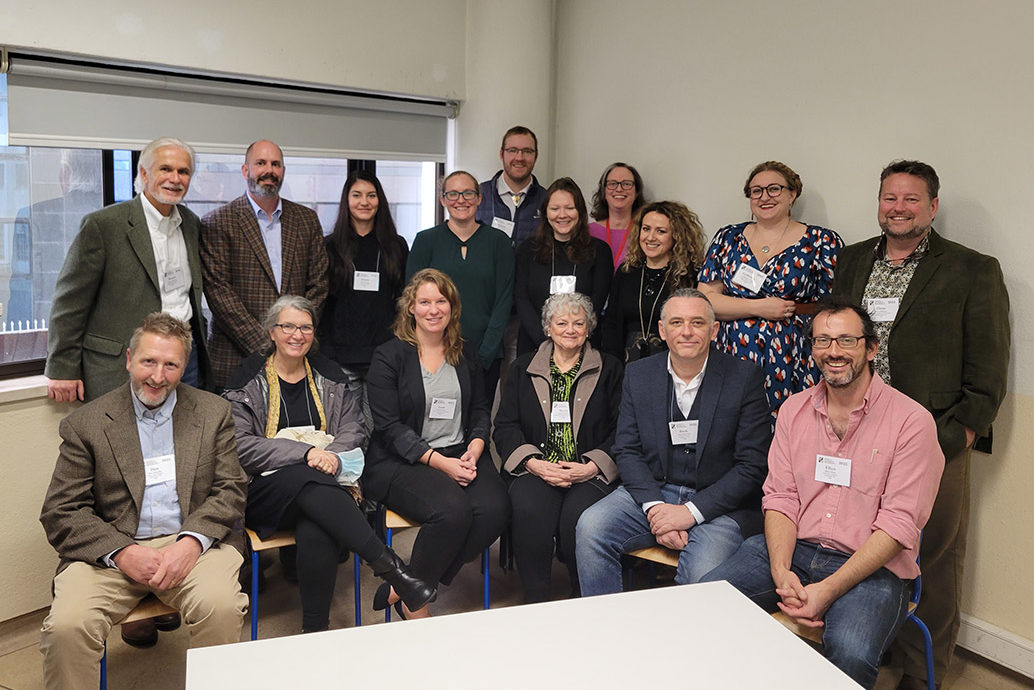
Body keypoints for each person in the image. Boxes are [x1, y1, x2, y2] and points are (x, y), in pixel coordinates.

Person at [702, 297, 944, 690]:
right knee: (706, 606)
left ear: (871, 347)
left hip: (872, 568)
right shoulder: (793, 411)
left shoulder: (912, 423)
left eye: (847, 341)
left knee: (851, 652)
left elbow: (900, 525)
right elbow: (780, 498)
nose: (833, 352)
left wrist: (828, 589)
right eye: (822, 341)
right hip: (791, 549)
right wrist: (781, 571)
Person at [831, 160, 1010, 690]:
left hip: (933, 438)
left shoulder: (973, 270)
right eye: (890, 198)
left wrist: (959, 436)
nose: (899, 208)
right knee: (863, 543)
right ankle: (875, 644)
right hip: (857, 432)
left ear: (932, 206)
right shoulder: (852, 260)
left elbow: (988, 372)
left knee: (930, 555)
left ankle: (919, 672)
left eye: (912, 199)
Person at [38, 313, 249, 690]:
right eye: (148, 361)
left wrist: (191, 542)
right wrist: (121, 552)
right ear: (129, 359)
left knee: (222, 607)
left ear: (184, 367)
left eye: (171, 365)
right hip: (112, 550)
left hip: (193, 545)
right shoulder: (87, 424)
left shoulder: (213, 412)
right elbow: (61, 510)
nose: (157, 376)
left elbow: (231, 488)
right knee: (67, 626)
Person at [223, 296, 435, 633]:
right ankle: (393, 570)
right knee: (307, 481)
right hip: (264, 492)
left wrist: (330, 456)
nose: (297, 334)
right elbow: (241, 446)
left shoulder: (329, 376)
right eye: (288, 326)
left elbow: (354, 427)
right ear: (272, 332)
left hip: (324, 484)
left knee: (317, 522)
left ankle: (315, 631)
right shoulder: (248, 382)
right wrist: (306, 455)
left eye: (305, 327)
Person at [575, 288, 771, 595]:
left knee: (701, 578)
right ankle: (607, 628)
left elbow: (752, 465)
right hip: (653, 491)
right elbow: (626, 449)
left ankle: (683, 643)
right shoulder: (639, 374)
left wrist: (689, 513)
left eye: (697, 323)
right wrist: (656, 510)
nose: (687, 332)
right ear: (662, 331)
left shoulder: (744, 377)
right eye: (677, 323)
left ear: (714, 329)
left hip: (719, 504)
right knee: (591, 527)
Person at [364, 269, 510, 618]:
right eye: (424, 301)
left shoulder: (465, 352)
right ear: (410, 308)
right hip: (402, 460)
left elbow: (479, 408)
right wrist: (440, 463)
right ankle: (418, 601)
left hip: (461, 451)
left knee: (495, 509)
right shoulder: (389, 357)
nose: (433, 309)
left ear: (452, 307)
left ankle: (408, 583)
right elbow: (389, 427)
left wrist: (475, 448)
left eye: (441, 301)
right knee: (452, 511)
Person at [45, 136, 210, 403]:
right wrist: (62, 368)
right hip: (123, 364)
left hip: (182, 362)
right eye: (165, 169)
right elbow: (70, 302)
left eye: (183, 171)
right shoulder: (104, 225)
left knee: (181, 439)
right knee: (123, 442)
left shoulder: (191, 225)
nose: (175, 178)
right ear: (144, 174)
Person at [494, 292, 623, 602]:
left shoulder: (611, 368)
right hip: (537, 468)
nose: (570, 329)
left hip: (589, 471)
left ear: (589, 328)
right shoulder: (523, 367)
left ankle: (583, 597)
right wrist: (533, 463)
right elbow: (505, 426)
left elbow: (624, 429)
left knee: (578, 518)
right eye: (561, 322)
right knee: (528, 509)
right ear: (547, 328)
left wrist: (592, 465)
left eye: (578, 323)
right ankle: (536, 599)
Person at [698, 161, 843, 415]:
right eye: (756, 191)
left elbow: (834, 308)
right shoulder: (728, 238)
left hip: (794, 359)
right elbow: (705, 300)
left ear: (792, 194)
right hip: (731, 357)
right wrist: (759, 308)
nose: (764, 197)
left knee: (791, 431)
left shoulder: (821, 241)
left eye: (774, 189)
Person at [200, 139, 329, 390]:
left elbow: (319, 284)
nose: (269, 170)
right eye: (260, 163)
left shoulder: (306, 220)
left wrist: (294, 336)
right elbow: (219, 294)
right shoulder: (218, 221)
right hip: (236, 359)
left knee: (294, 430)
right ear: (245, 170)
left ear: (283, 171)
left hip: (297, 358)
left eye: (275, 164)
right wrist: (271, 344)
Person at [406, 170, 514, 401]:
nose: (461, 200)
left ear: (479, 198)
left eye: (467, 193)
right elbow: (413, 299)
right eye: (453, 194)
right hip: (434, 353)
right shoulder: (426, 241)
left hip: (487, 352)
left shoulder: (498, 242)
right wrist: (432, 351)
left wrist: (484, 355)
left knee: (478, 423)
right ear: (443, 200)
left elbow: (504, 301)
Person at [318, 170, 409, 428]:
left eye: (371, 195)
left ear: (380, 200)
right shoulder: (329, 246)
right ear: (346, 201)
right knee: (345, 428)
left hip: (383, 356)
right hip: (340, 356)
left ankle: (374, 471)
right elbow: (323, 303)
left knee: (377, 428)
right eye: (356, 195)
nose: (364, 202)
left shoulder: (396, 246)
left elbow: (403, 301)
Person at [514, 178, 612, 356]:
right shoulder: (528, 250)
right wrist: (547, 342)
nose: (562, 215)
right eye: (554, 208)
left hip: (582, 345)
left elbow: (596, 302)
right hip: (534, 345)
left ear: (580, 212)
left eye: (569, 208)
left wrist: (570, 339)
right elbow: (521, 299)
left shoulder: (600, 251)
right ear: (545, 212)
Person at [601, 201, 705, 362]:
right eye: (646, 229)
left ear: (677, 236)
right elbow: (611, 323)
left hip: (675, 365)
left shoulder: (690, 276)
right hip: (626, 365)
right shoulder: (626, 271)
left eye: (661, 231)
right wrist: (612, 365)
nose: (650, 237)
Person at [474, 125, 547, 246]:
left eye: (527, 151)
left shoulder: (547, 200)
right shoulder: (479, 195)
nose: (519, 158)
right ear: (501, 154)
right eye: (512, 150)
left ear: (536, 156)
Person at [588, 162, 646, 269]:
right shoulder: (587, 232)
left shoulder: (645, 233)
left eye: (627, 184)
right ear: (604, 191)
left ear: (637, 191)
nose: (619, 189)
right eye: (612, 184)